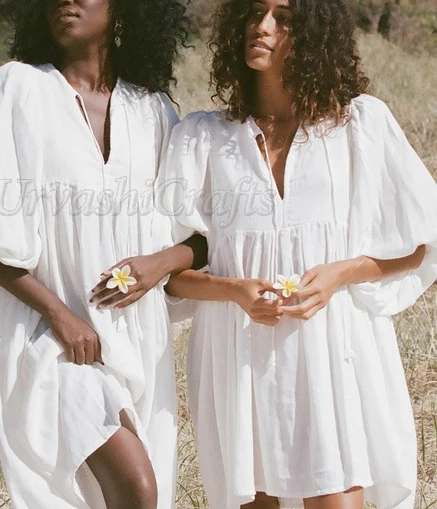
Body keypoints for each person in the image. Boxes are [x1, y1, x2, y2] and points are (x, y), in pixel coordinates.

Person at [159, 0, 437, 508]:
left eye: (283, 18)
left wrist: (340, 273)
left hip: (333, 349)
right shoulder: (202, 137)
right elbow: (170, 275)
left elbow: (419, 244)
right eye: (254, 13)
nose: (262, 27)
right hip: (238, 353)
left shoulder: (358, 126)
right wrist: (235, 291)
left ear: (313, 33)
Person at [0, 0, 202, 508]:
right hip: (50, 336)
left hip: (138, 339)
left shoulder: (152, 110)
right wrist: (59, 316)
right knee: (137, 486)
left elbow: (200, 237)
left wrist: (158, 264)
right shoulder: (20, 88)